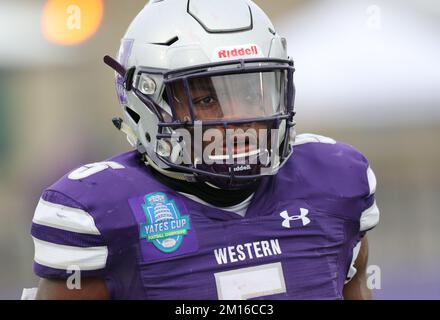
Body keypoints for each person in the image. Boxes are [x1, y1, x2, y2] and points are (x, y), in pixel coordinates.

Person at [29, 0, 379, 300]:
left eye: (252, 92)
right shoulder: (100, 212)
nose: (239, 117)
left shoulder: (334, 184)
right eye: (207, 99)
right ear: (148, 101)